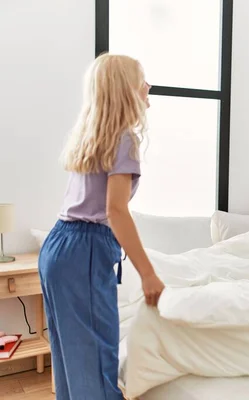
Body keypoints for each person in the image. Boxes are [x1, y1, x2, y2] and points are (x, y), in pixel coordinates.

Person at [38, 54, 165, 400]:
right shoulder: (124, 139)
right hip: (84, 250)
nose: (148, 86)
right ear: (127, 90)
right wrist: (148, 273)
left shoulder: (89, 136)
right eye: (142, 80)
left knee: (70, 360)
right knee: (95, 361)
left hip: (58, 246)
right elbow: (116, 211)